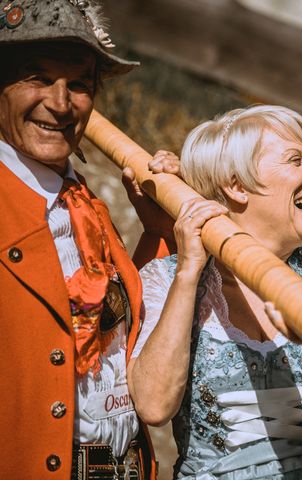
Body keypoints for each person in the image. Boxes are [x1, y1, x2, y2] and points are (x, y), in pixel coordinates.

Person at [129, 105, 302, 479]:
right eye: (296, 161)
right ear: (236, 186)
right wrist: (188, 272)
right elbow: (153, 406)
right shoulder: (167, 279)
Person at [0, 1, 176, 478]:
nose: (60, 103)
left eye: (78, 83)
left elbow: (109, 324)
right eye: (36, 77)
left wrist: (159, 232)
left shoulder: (83, 198)